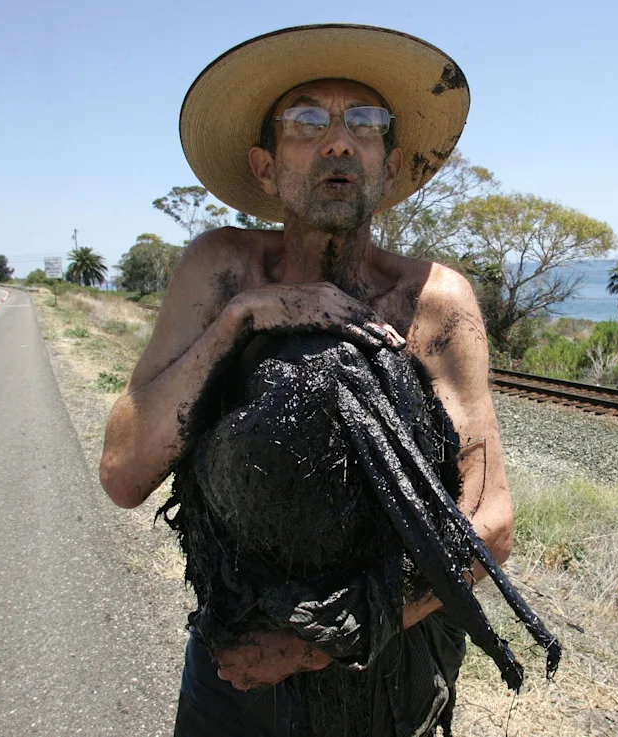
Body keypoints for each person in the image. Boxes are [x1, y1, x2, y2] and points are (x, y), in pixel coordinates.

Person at [100, 24, 514, 736]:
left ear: (389, 167)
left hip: (387, 672)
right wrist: (242, 319)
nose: (337, 140)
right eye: (307, 121)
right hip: (236, 663)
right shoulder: (224, 270)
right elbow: (123, 471)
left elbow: (491, 524)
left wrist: (316, 642)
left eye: (365, 122)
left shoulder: (435, 304)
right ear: (265, 167)